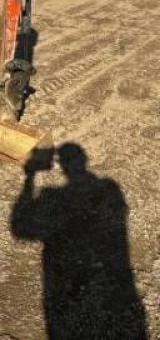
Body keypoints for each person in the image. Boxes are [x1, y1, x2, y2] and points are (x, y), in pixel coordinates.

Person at [10, 143, 147, 339]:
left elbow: (20, 229)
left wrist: (29, 177)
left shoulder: (53, 195)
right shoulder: (109, 187)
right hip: (109, 275)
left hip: (67, 280)